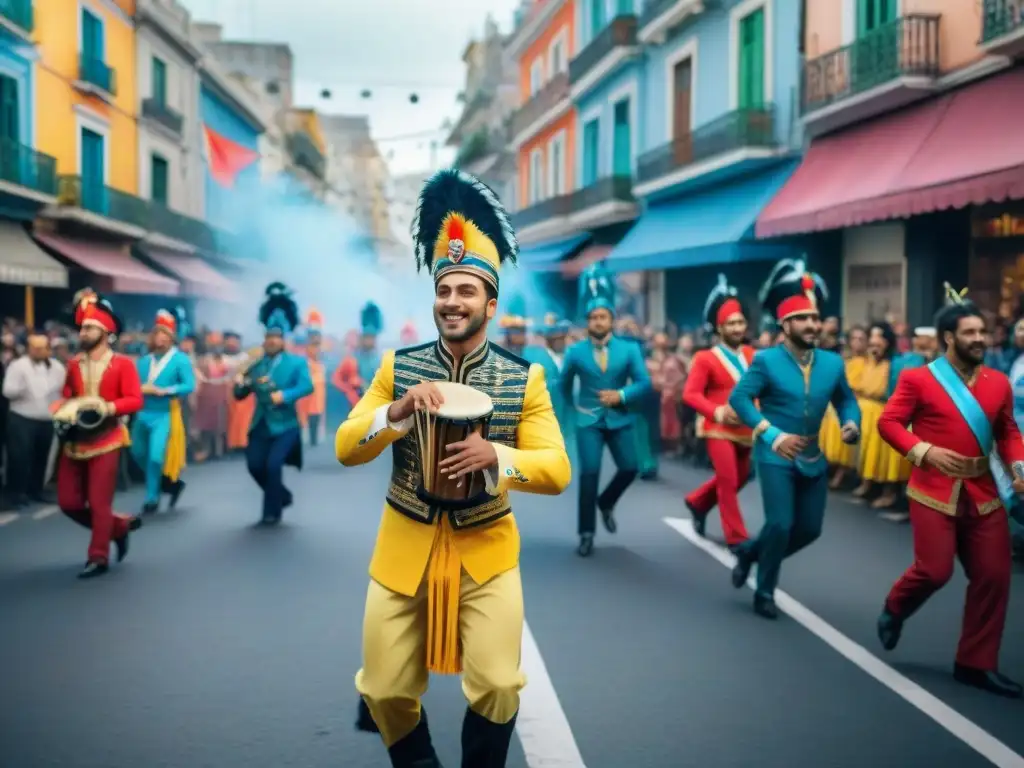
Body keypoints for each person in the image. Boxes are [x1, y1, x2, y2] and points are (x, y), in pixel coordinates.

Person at [335, 169, 570, 768]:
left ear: (490, 303)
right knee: (383, 690)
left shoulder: (526, 379)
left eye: (466, 291)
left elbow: (556, 470)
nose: (452, 302)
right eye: (444, 290)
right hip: (404, 542)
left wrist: (499, 458)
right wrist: (395, 410)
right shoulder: (398, 366)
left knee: (496, 685)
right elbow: (345, 445)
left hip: (486, 548)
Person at [876, 284, 1023, 698]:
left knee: (994, 577)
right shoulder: (917, 379)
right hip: (932, 490)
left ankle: (975, 664)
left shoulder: (998, 383)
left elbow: (1008, 432)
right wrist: (923, 451)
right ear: (948, 337)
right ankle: (896, 606)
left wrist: (1019, 467)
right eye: (970, 332)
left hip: (983, 491)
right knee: (935, 571)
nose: (980, 338)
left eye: (983, 331)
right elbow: (888, 424)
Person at [728, 259, 860, 619]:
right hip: (774, 455)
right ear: (785, 325)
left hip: (813, 457)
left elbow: (845, 399)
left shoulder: (833, 363)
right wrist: (770, 433)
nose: (812, 325)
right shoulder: (766, 361)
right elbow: (739, 399)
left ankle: (751, 552)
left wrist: (851, 423)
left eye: (815, 319)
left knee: (809, 529)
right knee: (780, 524)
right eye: (803, 318)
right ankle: (765, 592)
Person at [561, 262, 651, 557]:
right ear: (587, 322)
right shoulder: (575, 352)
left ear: (612, 320)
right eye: (593, 317)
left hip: (619, 419)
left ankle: (607, 501)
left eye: (603, 317)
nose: (598, 321)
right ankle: (586, 533)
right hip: (587, 421)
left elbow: (644, 383)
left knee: (630, 468)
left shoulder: (630, 349)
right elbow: (563, 386)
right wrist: (570, 414)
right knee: (589, 472)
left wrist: (622, 395)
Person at [55, 296, 144, 579]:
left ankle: (98, 557)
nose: (82, 333)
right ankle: (117, 528)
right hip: (76, 440)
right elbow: (68, 395)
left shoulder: (123, 364)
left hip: (108, 438)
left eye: (88, 329)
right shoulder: (72, 365)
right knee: (68, 502)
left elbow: (135, 400)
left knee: (99, 503)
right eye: (81, 329)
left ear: (106, 333)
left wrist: (108, 407)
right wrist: (63, 409)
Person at [682, 274, 755, 549]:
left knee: (742, 477)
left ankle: (698, 503)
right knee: (727, 480)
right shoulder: (705, 358)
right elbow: (690, 395)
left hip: (748, 429)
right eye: (731, 323)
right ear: (719, 327)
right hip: (718, 427)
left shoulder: (753, 355)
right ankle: (737, 539)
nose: (737, 328)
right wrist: (718, 412)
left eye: (740, 322)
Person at [233, 283, 314, 526]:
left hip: (286, 424)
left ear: (283, 339)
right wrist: (240, 382)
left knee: (273, 464)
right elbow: (240, 394)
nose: (271, 341)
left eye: (276, 337)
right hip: (260, 423)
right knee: (255, 465)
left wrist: (285, 395)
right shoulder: (255, 363)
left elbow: (307, 386)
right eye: (268, 337)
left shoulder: (296, 363)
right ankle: (282, 495)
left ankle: (271, 513)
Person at [131, 308, 196, 514]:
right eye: (157, 333)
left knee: (156, 456)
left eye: (165, 334)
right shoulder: (143, 361)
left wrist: (165, 390)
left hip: (164, 413)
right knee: (137, 452)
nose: (161, 338)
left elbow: (189, 385)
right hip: (142, 412)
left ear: (171, 338)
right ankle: (168, 484)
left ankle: (152, 496)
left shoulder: (180, 360)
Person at [2, 333, 64, 508]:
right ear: (29, 349)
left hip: (46, 419)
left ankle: (36, 490)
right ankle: (16, 493)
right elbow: (8, 391)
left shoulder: (57, 368)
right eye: (34, 348)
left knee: (41, 456)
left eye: (42, 348)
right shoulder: (18, 366)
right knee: (19, 457)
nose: (38, 351)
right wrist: (24, 388)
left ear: (48, 349)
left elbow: (63, 390)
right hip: (22, 418)